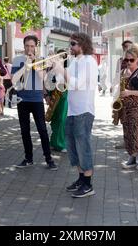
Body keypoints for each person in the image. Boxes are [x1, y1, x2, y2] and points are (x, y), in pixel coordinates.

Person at [54, 32, 98, 198]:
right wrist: (57, 69)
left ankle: (88, 184)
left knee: (83, 146)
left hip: (84, 111)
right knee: (72, 147)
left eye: (73, 44)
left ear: (82, 45)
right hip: (72, 111)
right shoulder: (74, 62)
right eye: (70, 44)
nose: (70, 47)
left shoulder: (89, 62)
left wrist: (62, 70)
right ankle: (81, 179)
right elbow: (62, 84)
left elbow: (78, 84)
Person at [12, 35, 58, 170]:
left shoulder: (41, 60)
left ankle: (49, 159)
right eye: (27, 46)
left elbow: (44, 78)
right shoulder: (17, 60)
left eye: (32, 46)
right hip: (22, 100)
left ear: (36, 47)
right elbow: (14, 79)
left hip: (36, 100)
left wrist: (35, 64)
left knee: (42, 130)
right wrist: (24, 67)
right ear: (23, 46)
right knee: (24, 131)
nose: (29, 49)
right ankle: (28, 158)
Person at [114, 40, 138, 149]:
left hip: (135, 97)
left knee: (136, 126)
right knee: (125, 122)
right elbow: (117, 76)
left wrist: (136, 82)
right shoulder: (121, 61)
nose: (127, 48)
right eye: (125, 46)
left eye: (129, 46)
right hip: (124, 97)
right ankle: (127, 143)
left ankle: (137, 148)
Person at [120, 44, 138, 170]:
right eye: (126, 60)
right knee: (127, 132)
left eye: (131, 60)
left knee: (136, 132)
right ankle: (131, 158)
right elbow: (120, 89)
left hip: (136, 107)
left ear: (137, 60)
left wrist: (130, 92)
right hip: (125, 107)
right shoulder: (123, 72)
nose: (129, 62)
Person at [46, 49, 68, 153]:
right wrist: (48, 96)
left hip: (63, 96)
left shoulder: (67, 69)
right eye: (58, 57)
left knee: (61, 120)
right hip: (54, 95)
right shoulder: (51, 69)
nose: (60, 59)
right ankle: (53, 142)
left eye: (62, 57)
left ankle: (60, 144)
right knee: (54, 119)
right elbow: (48, 82)